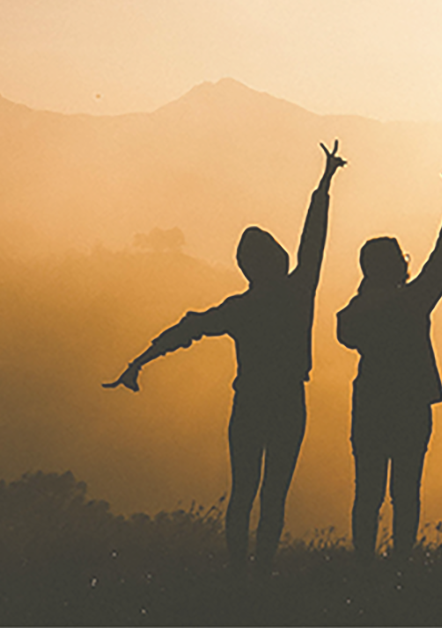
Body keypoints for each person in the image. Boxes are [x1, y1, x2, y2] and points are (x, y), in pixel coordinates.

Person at [104, 141, 346, 575]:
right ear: (274, 260)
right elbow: (314, 239)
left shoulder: (241, 308)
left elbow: (186, 329)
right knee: (273, 494)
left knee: (244, 491)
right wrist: (324, 185)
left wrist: (139, 361)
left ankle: (239, 574)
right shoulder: (297, 293)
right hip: (288, 402)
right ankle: (260, 572)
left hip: (251, 402)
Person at [336, 168, 442, 562]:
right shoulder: (412, 301)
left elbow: (346, 335)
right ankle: (402, 560)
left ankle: (364, 561)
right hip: (411, 403)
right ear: (398, 266)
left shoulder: (356, 310)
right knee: (406, 487)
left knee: (367, 489)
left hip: (371, 403)